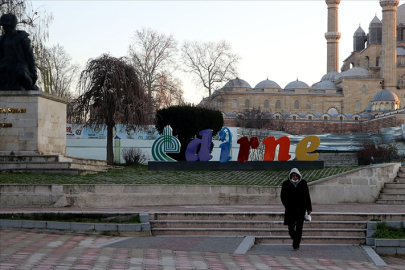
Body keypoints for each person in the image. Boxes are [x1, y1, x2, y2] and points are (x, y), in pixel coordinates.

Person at [0, 13, 38, 91]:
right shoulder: (2, 39)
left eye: (6, 26)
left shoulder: (22, 38)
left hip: (19, 64)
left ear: (11, 26)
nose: (4, 28)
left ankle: (30, 86)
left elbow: (29, 56)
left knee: (22, 74)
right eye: (3, 26)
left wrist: (33, 73)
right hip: (6, 64)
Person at [280, 168, 312, 251]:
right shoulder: (286, 184)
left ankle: (296, 245)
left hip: (301, 209)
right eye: (293, 176)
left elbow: (307, 196)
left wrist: (309, 208)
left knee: (299, 227)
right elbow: (283, 196)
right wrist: (287, 205)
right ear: (291, 176)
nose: (295, 177)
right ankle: (296, 240)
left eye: (296, 176)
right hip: (290, 210)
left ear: (299, 176)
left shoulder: (303, 183)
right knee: (291, 229)